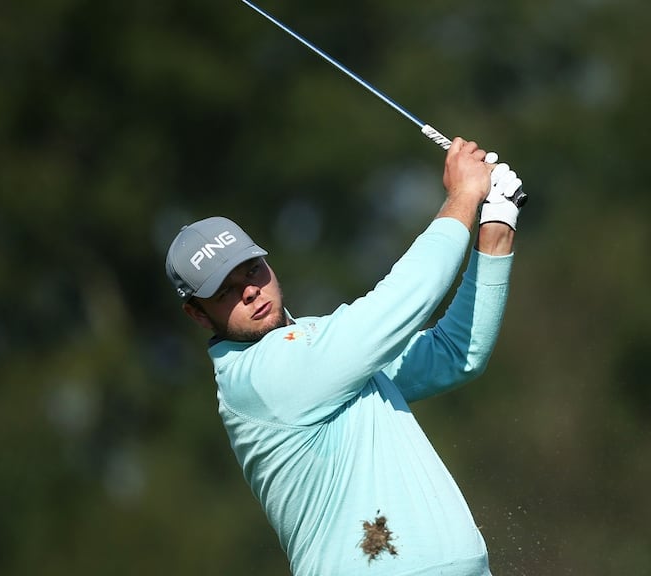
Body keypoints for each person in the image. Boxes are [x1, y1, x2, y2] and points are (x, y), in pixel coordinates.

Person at [166, 137, 525, 575]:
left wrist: (496, 227)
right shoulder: (259, 379)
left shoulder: (320, 344)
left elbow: (454, 353)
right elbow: (399, 304)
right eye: (224, 291)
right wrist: (463, 197)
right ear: (197, 314)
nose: (250, 290)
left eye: (253, 269)